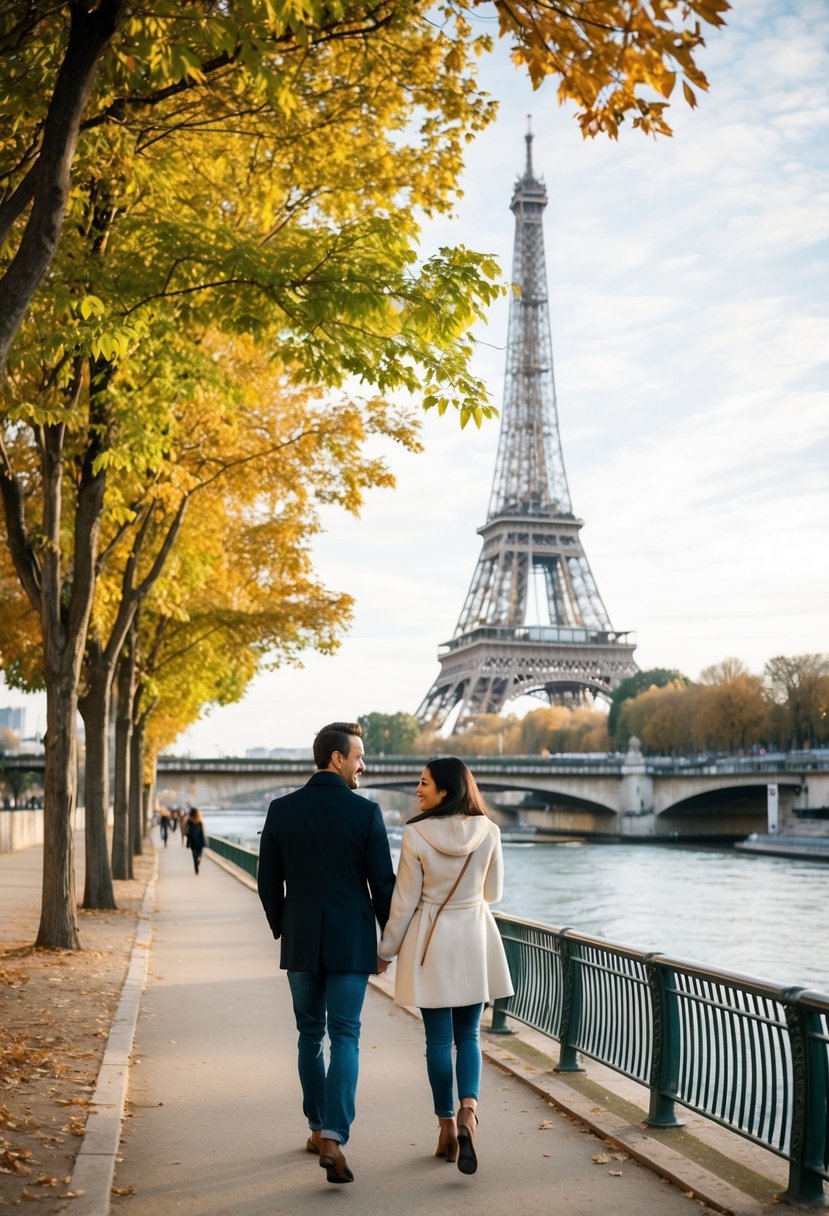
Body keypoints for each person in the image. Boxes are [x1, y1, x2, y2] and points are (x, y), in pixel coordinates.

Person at [257, 721, 395, 1185]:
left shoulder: (281, 809)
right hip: (351, 943)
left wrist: (285, 925)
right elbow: (384, 888)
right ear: (337, 758)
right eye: (358, 756)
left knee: (309, 1035)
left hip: (301, 942)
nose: (363, 765)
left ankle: (316, 1129)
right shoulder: (366, 813)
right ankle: (336, 1134)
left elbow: (267, 882)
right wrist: (386, 943)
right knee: (347, 1036)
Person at [377, 756, 513, 1176]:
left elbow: (403, 903)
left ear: (445, 791)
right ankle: (469, 1111)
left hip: (431, 940)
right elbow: (494, 893)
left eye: (423, 783)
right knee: (469, 1034)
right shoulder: (490, 831)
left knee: (438, 1040)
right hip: (474, 935)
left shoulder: (416, 833)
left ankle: (447, 1128)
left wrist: (386, 950)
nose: (417, 790)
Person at [184, 808, 206, 874]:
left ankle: (196, 867)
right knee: (199, 854)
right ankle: (198, 861)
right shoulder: (200, 821)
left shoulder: (188, 821)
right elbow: (203, 833)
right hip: (199, 841)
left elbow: (186, 832)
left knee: (194, 855)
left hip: (192, 841)